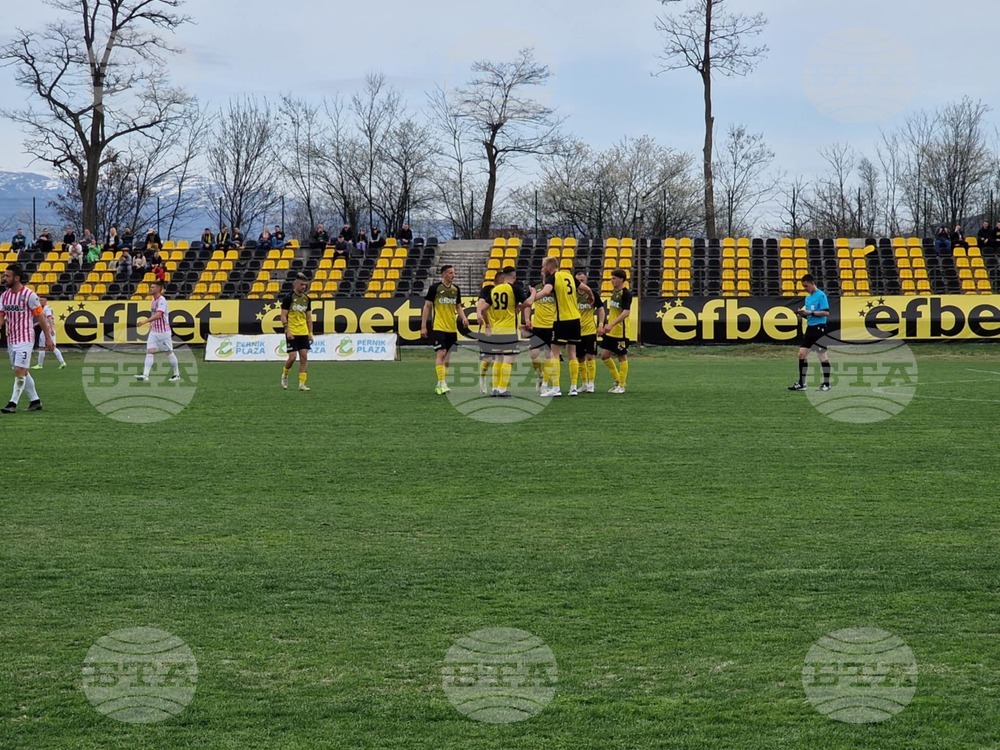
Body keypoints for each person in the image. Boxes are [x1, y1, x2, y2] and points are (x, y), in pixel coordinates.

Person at [531, 256, 592, 397]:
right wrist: (590, 295)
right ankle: (573, 388)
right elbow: (586, 288)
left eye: (543, 266)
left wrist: (532, 297)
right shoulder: (569, 276)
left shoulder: (553, 277)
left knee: (554, 354)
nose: (543, 269)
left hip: (561, 319)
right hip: (575, 319)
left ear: (549, 267)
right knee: (572, 354)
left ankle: (556, 387)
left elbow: (546, 292)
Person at [0, 263, 54, 413]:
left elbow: (41, 317)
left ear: (17, 278)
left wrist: (48, 337)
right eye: (4, 276)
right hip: (11, 339)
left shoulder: (30, 295)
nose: (4, 278)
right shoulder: (4, 296)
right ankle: (35, 401)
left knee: (19, 369)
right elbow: (1, 317)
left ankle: (12, 404)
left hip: (25, 338)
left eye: (7, 276)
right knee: (21, 371)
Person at [480, 266, 529, 398]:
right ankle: (502, 389)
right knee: (508, 360)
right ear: (514, 277)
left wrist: (488, 324)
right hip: (509, 330)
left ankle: (495, 388)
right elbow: (528, 303)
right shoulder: (514, 288)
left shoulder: (495, 289)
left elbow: (483, 309)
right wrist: (531, 296)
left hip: (496, 330)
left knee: (498, 359)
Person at [420, 264, 469, 395]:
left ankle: (441, 382)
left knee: (448, 357)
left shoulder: (455, 289)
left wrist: (464, 318)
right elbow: (427, 307)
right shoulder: (435, 288)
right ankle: (442, 383)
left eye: (454, 273)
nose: (454, 275)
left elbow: (458, 306)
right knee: (441, 353)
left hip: (451, 328)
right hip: (438, 326)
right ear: (444, 274)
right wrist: (423, 326)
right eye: (451, 273)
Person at [788, 273, 831, 392]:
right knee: (801, 354)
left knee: (822, 356)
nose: (805, 289)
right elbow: (809, 315)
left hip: (819, 329)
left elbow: (826, 313)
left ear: (812, 283)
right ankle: (802, 383)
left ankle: (826, 384)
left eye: (806, 286)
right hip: (810, 328)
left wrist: (809, 313)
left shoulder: (821, 295)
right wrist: (802, 314)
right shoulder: (807, 298)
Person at [134, 280, 181, 382]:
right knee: (150, 351)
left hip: (163, 332)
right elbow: (153, 314)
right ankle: (145, 375)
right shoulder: (153, 300)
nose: (150, 289)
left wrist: (145, 321)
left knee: (168, 352)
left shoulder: (162, 300)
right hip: (154, 331)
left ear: (159, 289)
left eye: (153, 287)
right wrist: (151, 325)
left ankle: (176, 374)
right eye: (150, 287)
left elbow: (159, 314)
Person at [599, 269, 633, 394]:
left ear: (621, 280)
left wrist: (612, 324)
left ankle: (622, 385)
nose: (611, 280)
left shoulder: (626, 294)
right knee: (604, 356)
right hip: (611, 331)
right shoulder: (614, 292)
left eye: (614, 278)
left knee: (622, 356)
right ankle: (617, 380)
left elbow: (626, 312)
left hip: (620, 331)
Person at [280, 273, 314, 392]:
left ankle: (302, 384)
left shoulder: (307, 299)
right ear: (296, 284)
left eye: (305, 285)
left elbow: (309, 318)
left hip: (303, 331)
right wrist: (287, 330)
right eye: (301, 284)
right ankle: (285, 375)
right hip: (292, 331)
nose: (303, 287)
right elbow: (283, 316)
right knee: (293, 357)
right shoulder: (288, 298)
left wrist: (310, 333)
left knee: (304, 357)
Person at [575, 268, 605, 394]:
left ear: (586, 281)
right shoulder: (571, 294)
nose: (581, 282)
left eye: (582, 280)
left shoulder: (592, 294)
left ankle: (591, 383)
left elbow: (601, 309)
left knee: (590, 356)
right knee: (580, 357)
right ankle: (584, 383)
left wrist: (601, 324)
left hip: (590, 330)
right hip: (576, 330)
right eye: (578, 281)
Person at [32, 296, 66, 370]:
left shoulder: (46, 308)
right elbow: (44, 319)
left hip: (47, 329)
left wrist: (51, 328)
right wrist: (37, 324)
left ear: (45, 300)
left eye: (41, 300)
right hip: (46, 329)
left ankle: (62, 362)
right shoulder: (42, 309)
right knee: (44, 347)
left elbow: (49, 318)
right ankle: (40, 364)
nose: (40, 301)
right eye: (39, 300)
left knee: (50, 347)